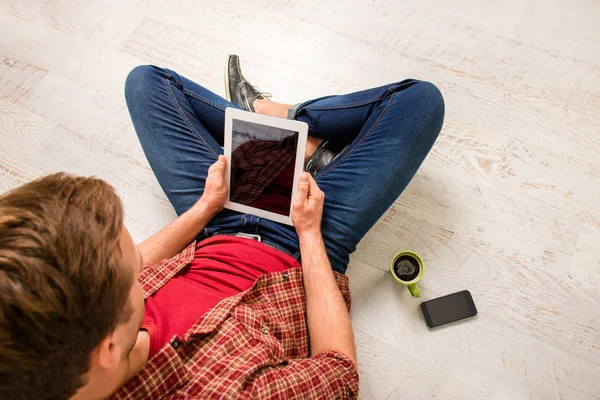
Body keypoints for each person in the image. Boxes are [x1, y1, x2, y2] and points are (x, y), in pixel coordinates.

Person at [0, 55, 444, 399]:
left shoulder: (62, 343)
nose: (142, 259)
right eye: (132, 266)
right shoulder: (228, 391)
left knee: (146, 82)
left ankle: (275, 119)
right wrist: (309, 232)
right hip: (302, 250)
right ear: (108, 350)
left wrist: (205, 208)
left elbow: (121, 274)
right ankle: (292, 133)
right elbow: (340, 373)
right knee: (419, 102)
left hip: (213, 223)